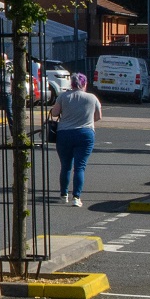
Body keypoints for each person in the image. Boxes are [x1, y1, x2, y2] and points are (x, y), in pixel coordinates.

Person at [49, 72, 103, 206]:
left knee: (66, 166)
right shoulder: (92, 98)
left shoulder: (63, 96)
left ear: (71, 84)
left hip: (64, 134)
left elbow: (55, 113)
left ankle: (63, 195)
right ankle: (76, 197)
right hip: (85, 133)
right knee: (80, 167)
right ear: (84, 84)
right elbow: (98, 117)